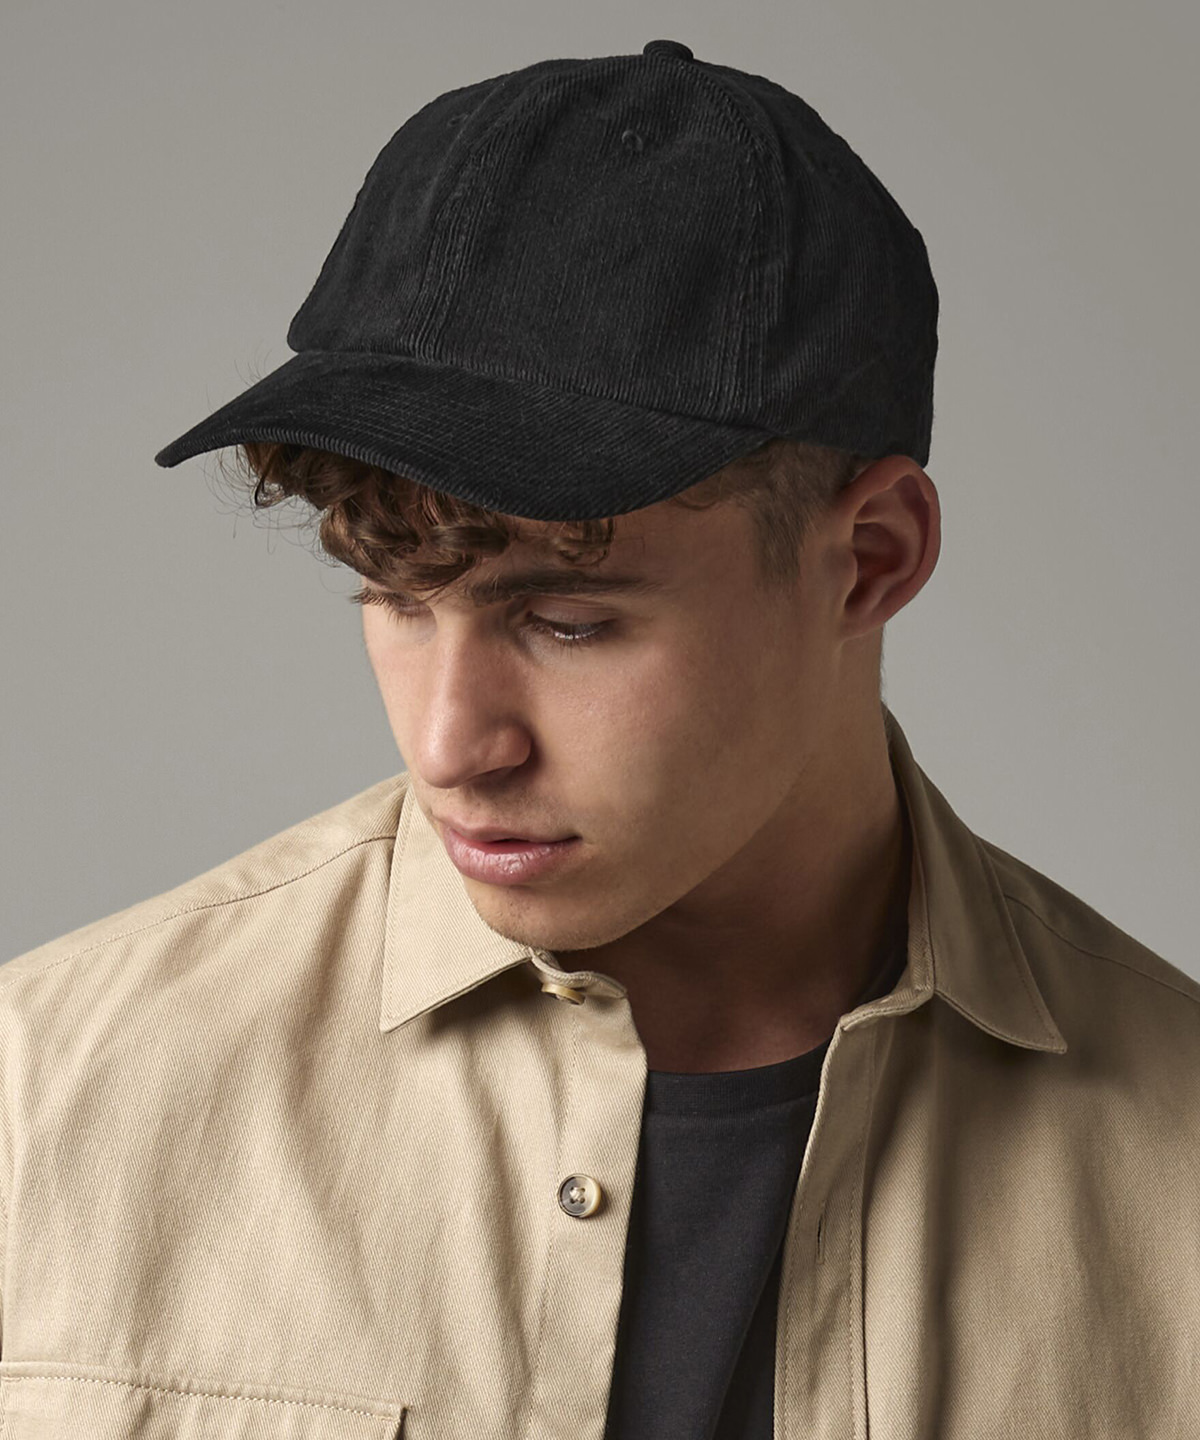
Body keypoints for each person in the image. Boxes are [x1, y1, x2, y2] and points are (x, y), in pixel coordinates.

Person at [2, 37, 1195, 1440]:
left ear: (870, 557)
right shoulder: (46, 1091)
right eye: (395, 596)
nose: (450, 744)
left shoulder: (1173, 1174)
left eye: (567, 621)